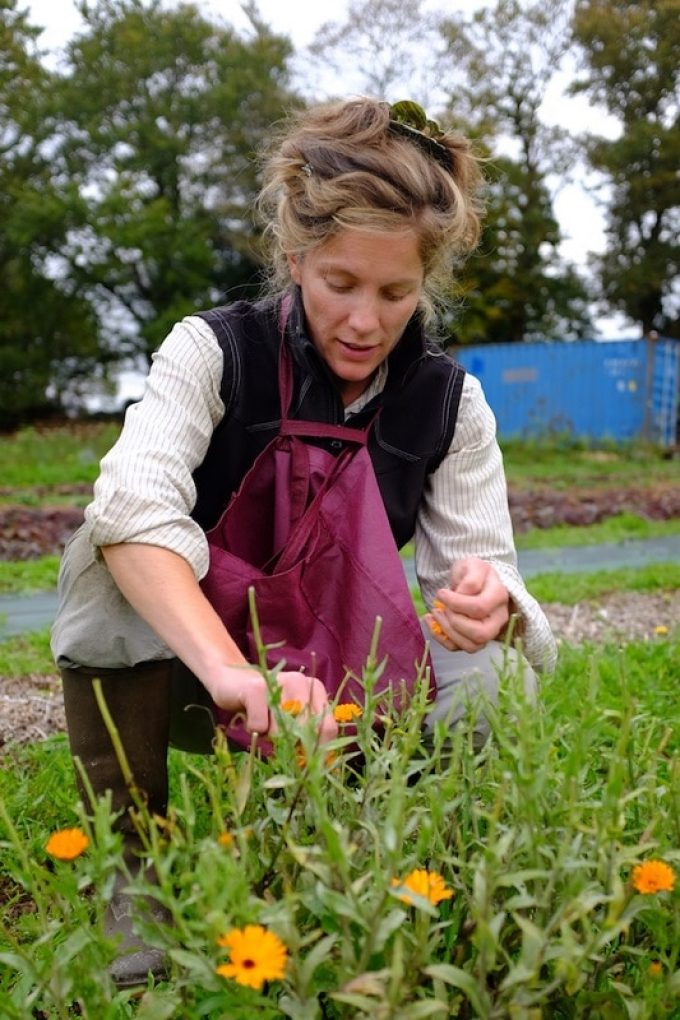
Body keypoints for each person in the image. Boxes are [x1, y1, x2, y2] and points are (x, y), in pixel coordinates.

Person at [51, 97, 557, 986]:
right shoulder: (214, 351)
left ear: (427, 285)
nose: (366, 319)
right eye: (340, 285)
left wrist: (493, 603)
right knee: (107, 562)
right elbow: (131, 508)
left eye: (397, 293)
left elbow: (492, 574)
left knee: (497, 664)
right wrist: (235, 676)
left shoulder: (451, 404)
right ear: (295, 261)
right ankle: (135, 868)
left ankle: (407, 859)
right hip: (201, 676)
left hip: (338, 697)